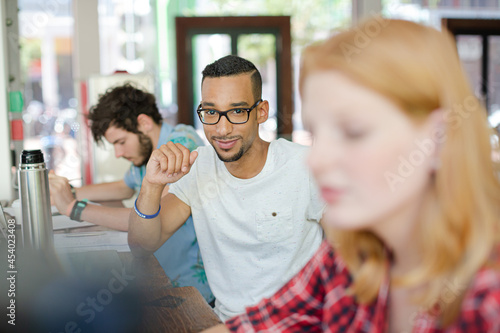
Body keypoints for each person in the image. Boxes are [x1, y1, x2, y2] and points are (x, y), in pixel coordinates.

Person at [201, 18, 500, 332]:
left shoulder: (487, 297)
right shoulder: (353, 257)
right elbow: (258, 324)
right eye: (316, 134)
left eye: (353, 132)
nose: (316, 160)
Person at [128, 55, 325, 321]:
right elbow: (142, 244)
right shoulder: (199, 167)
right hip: (226, 321)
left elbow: (354, 260)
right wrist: (151, 185)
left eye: (237, 111)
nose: (222, 129)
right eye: (211, 112)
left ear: (261, 112)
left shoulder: (306, 166)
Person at [48, 83, 214, 302]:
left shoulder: (179, 146)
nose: (118, 153)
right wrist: (69, 191)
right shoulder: (144, 156)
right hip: (160, 281)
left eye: (121, 142)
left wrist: (73, 207)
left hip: (190, 293)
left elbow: (144, 218)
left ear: (144, 123)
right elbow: (124, 187)